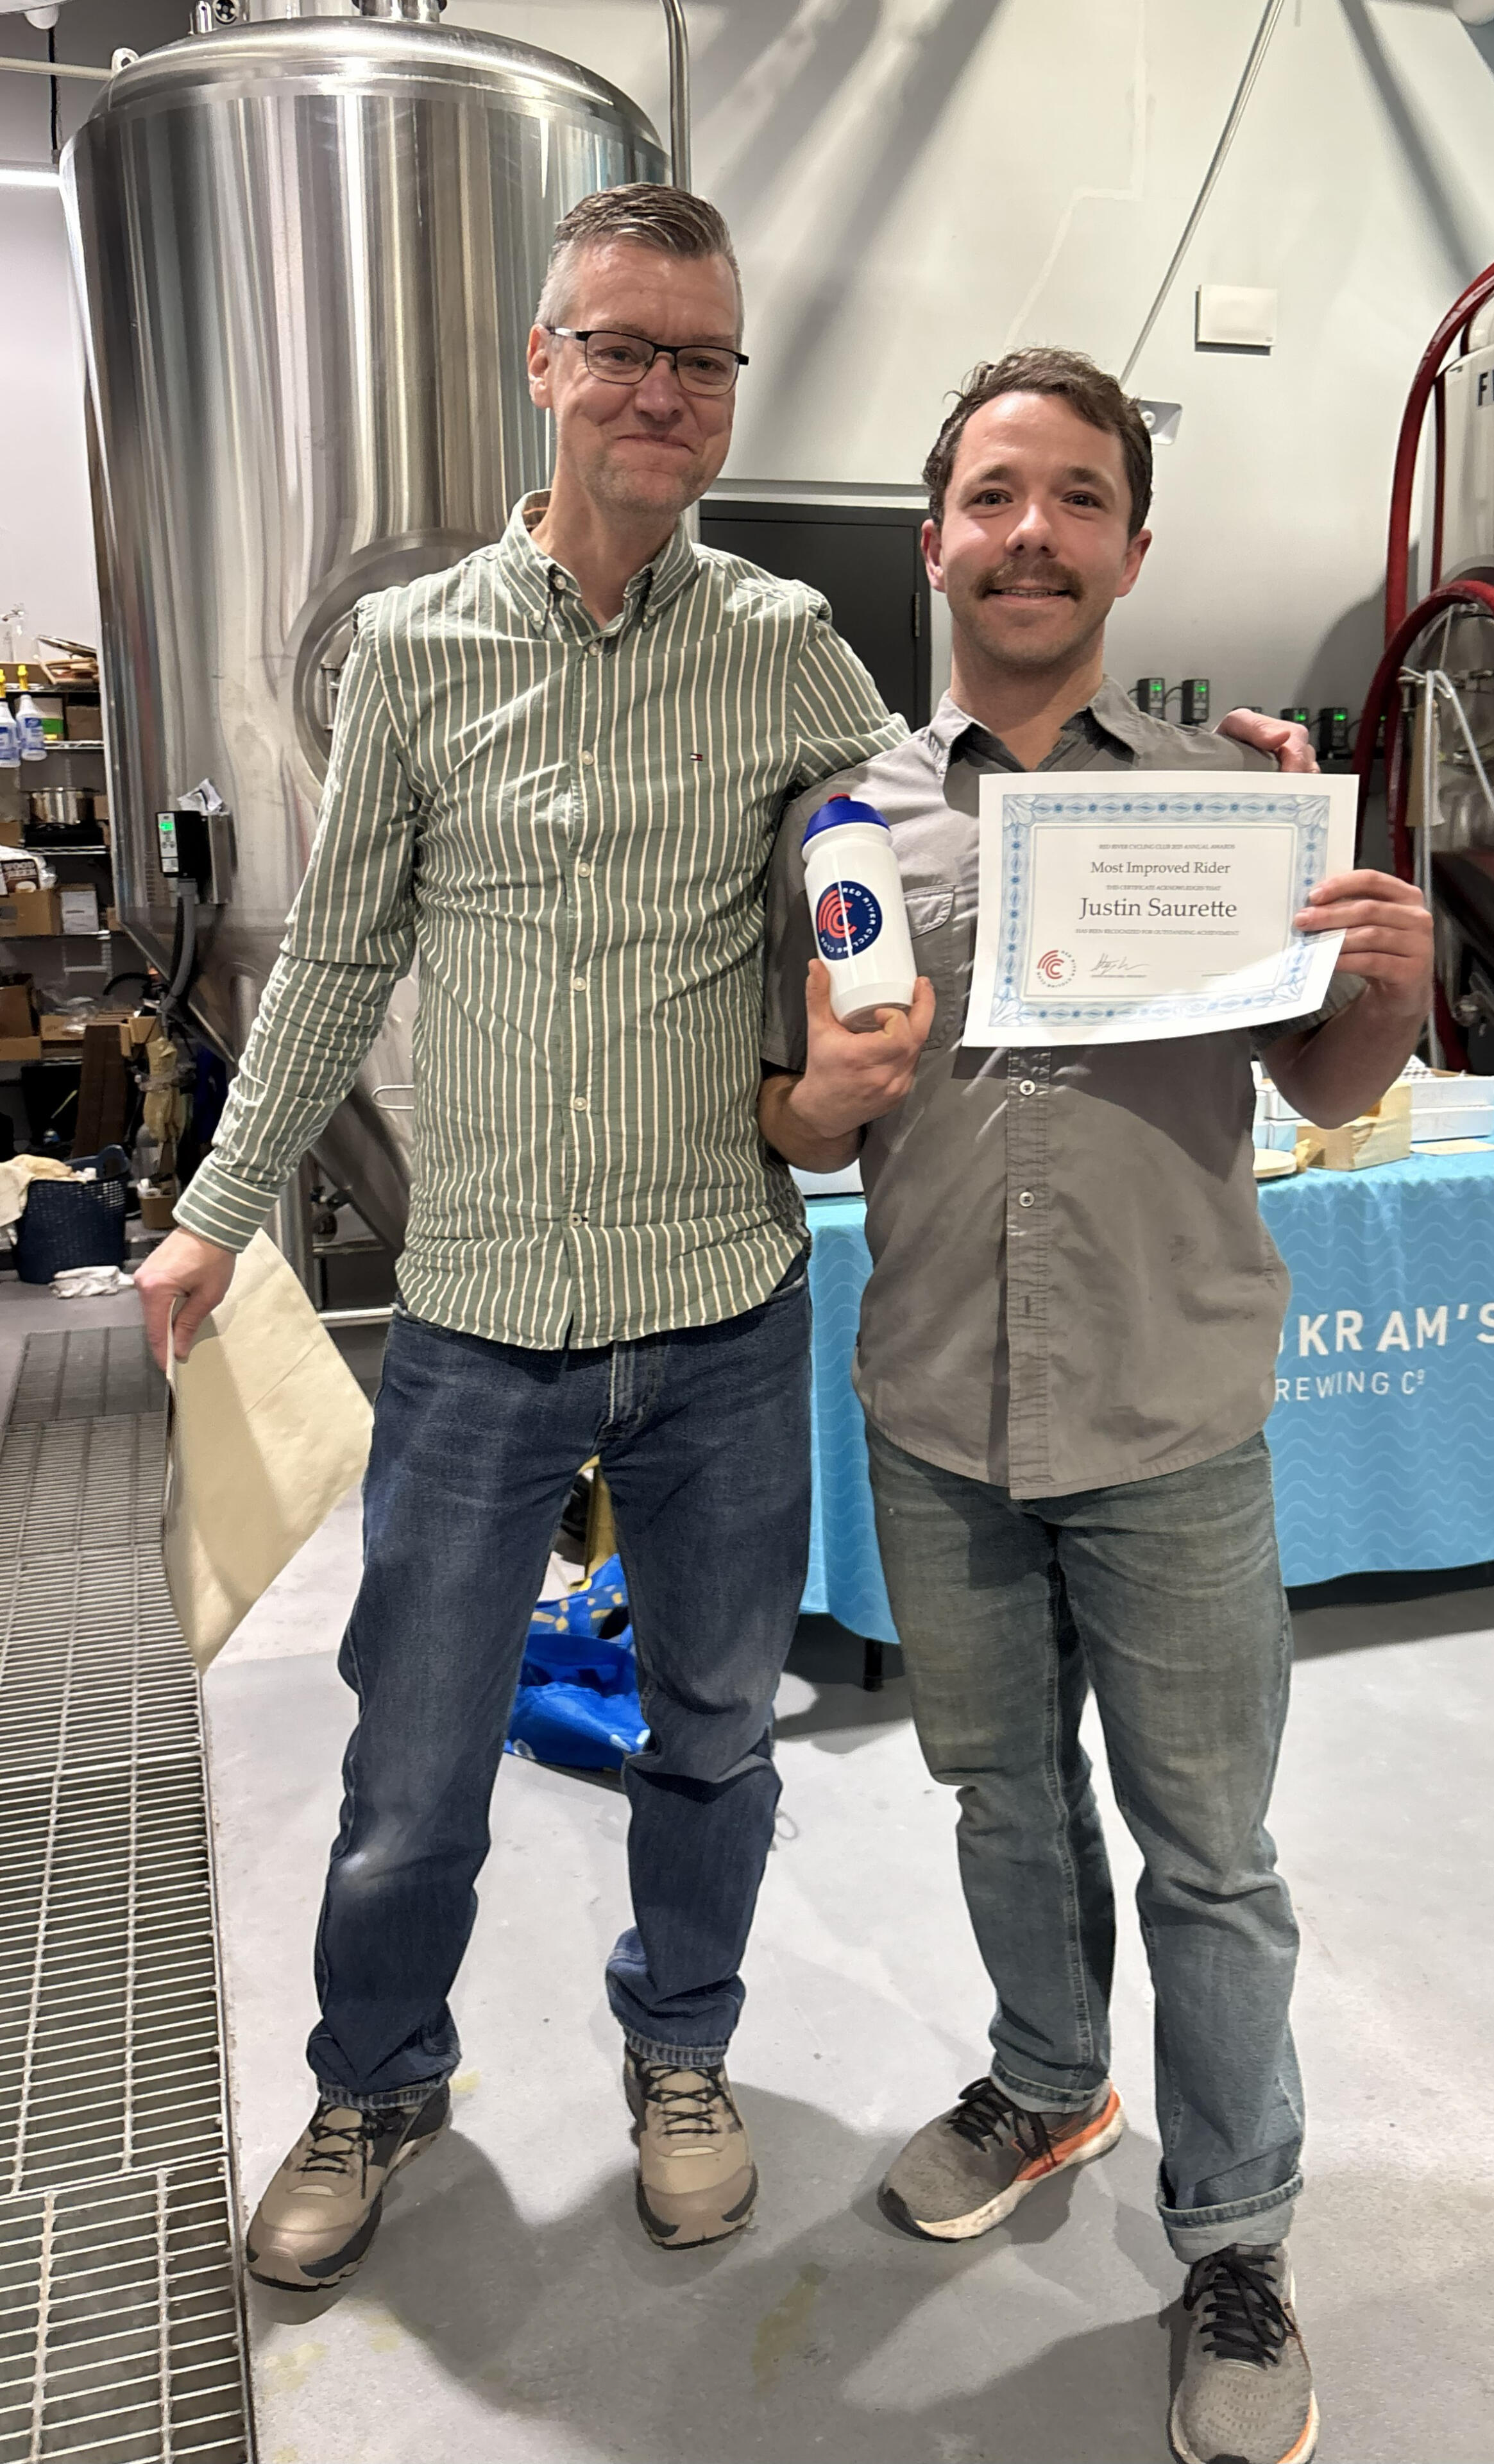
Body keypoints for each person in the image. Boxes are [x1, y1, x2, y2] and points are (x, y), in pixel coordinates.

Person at [136, 182, 1303, 2297]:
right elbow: (334, 958)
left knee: (712, 1739)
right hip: (481, 1313)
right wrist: (219, 1212)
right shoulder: (414, 652)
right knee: (410, 1766)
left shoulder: (785, 652)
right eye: (621, 348)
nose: (660, 391)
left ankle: (682, 2056)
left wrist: (1234, 825)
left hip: (719, 1315)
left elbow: (938, 817)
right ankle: (376, 2080)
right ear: (545, 364)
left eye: (699, 359)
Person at [760, 348, 1432, 2464]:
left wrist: (1387, 986)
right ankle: (1048, 2085)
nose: (1029, 533)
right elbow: (787, 1109)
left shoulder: (1232, 803)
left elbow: (1318, 1083)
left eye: (1074, 498)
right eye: (991, 496)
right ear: (932, 540)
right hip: (937, 1408)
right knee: (1001, 1798)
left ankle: (1232, 2235)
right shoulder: (841, 818)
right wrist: (812, 1097)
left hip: (1168, 1414)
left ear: (1132, 550)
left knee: (1208, 1856)